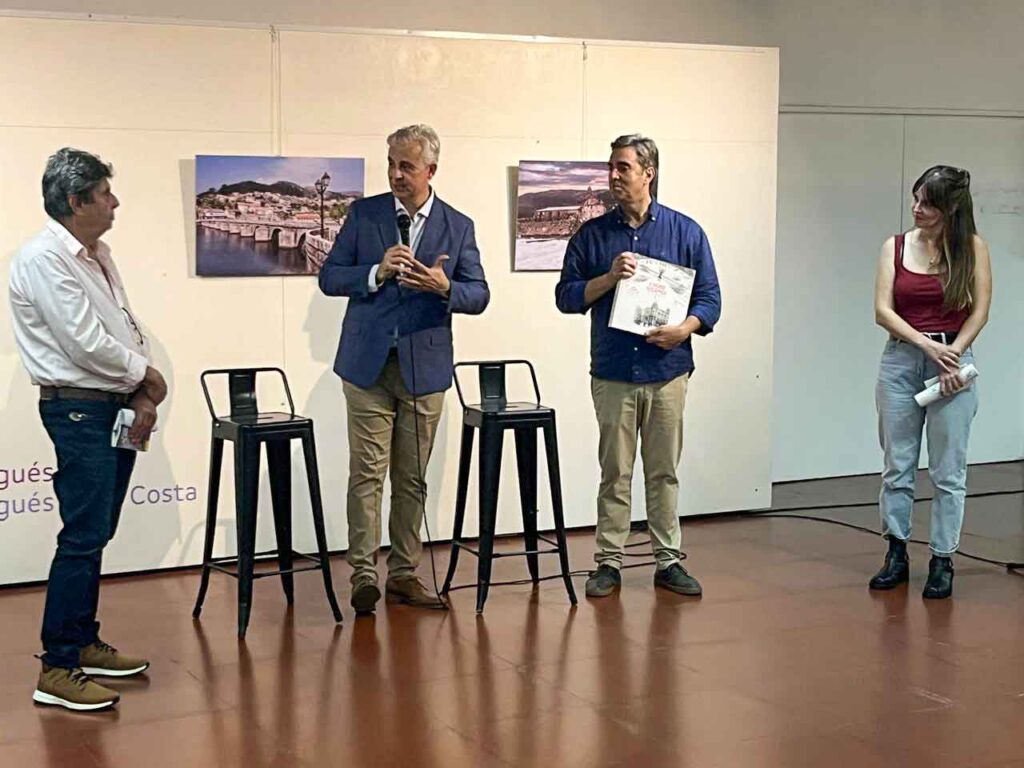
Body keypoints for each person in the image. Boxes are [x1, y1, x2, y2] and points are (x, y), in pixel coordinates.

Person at [9, 148, 167, 711]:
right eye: (104, 193)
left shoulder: (95, 253)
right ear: (76, 201)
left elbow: (118, 328)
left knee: (95, 532)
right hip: (78, 410)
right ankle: (57, 667)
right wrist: (146, 375)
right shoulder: (44, 259)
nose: (115, 201)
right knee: (81, 535)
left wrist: (139, 388)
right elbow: (82, 341)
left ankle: (82, 641)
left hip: (107, 405)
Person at [319, 124, 489, 613]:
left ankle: (404, 573)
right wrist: (375, 272)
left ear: (430, 170)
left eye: (406, 166)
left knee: (411, 478)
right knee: (367, 474)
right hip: (366, 365)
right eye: (391, 163)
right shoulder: (364, 214)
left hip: (424, 367)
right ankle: (363, 575)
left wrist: (443, 286)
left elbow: (479, 293)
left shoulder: (458, 226)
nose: (396, 173)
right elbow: (330, 276)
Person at [554, 134, 721, 599]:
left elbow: (710, 298)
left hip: (667, 370)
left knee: (664, 470)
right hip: (612, 373)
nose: (613, 176)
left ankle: (668, 560)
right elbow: (566, 297)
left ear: (648, 172)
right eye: (612, 167)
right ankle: (608, 562)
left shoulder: (686, 232)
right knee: (615, 471)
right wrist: (608, 277)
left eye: (622, 167)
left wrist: (684, 329)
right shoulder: (592, 235)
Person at [870, 165, 991, 599]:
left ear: (951, 208)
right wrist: (927, 347)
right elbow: (883, 311)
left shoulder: (973, 249)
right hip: (903, 360)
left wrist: (954, 353)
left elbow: (979, 310)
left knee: (948, 470)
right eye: (915, 199)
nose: (917, 209)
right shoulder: (895, 247)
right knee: (897, 465)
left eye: (928, 203)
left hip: (954, 362)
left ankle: (943, 559)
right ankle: (896, 552)